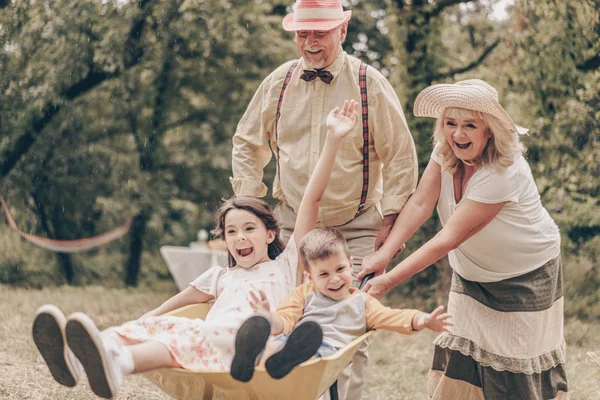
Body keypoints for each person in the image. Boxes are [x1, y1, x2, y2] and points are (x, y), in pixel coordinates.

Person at [31, 100, 360, 399]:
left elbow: (311, 201)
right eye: (232, 232)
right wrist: (143, 322)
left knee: (196, 334)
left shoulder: (288, 266)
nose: (239, 238)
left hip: (247, 346)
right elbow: (169, 308)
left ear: (270, 233)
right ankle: (78, 360)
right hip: (211, 339)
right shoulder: (219, 276)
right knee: (160, 328)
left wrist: (333, 139)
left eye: (249, 229)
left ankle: (120, 363)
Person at [358, 79, 568, 399]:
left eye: (469, 125)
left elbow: (448, 238)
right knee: (460, 363)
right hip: (471, 273)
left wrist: (388, 281)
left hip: (524, 277)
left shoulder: (504, 170)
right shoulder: (445, 151)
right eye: (450, 123)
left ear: (490, 130)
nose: (457, 134)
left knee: (514, 375)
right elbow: (419, 203)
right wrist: (384, 255)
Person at [230, 226, 453, 385]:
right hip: (292, 343)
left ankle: (281, 358)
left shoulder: (362, 302)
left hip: (327, 354)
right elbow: (286, 320)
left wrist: (422, 320)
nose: (335, 279)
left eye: (340, 270)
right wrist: (269, 318)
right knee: (278, 340)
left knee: (310, 344)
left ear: (350, 264)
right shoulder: (304, 293)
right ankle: (251, 358)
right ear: (310, 277)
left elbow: (391, 317)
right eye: (324, 274)